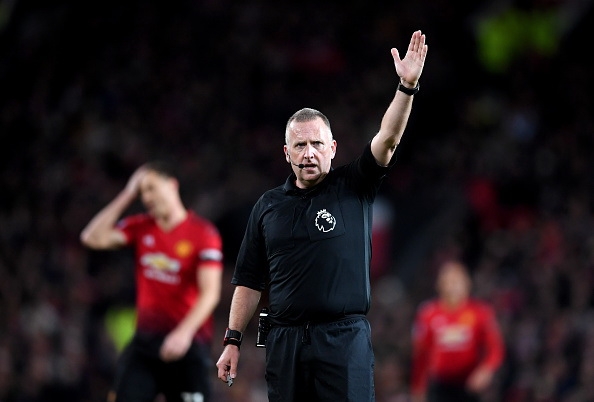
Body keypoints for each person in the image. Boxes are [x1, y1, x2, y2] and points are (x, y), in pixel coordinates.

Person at [215, 30, 428, 402]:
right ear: (287, 153)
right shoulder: (267, 206)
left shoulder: (354, 185)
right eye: (300, 145)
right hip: (284, 342)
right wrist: (232, 340)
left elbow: (388, 139)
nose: (309, 153)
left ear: (332, 148)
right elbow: (248, 280)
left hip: (343, 340)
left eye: (316, 144)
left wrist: (406, 87)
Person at [80, 161, 224, 402]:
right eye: (141, 192)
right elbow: (91, 237)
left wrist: (184, 333)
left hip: (188, 345)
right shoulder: (141, 227)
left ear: (172, 185)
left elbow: (210, 293)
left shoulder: (203, 234)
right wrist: (128, 193)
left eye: (151, 188)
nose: (146, 197)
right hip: (145, 345)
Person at [410, 260, 505, 402]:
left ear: (467, 284)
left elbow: (495, 348)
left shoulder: (480, 312)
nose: (453, 286)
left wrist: (486, 370)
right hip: (439, 386)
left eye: (457, 281)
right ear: (439, 285)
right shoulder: (428, 314)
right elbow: (421, 355)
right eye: (449, 281)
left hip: (469, 386)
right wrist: (417, 388)